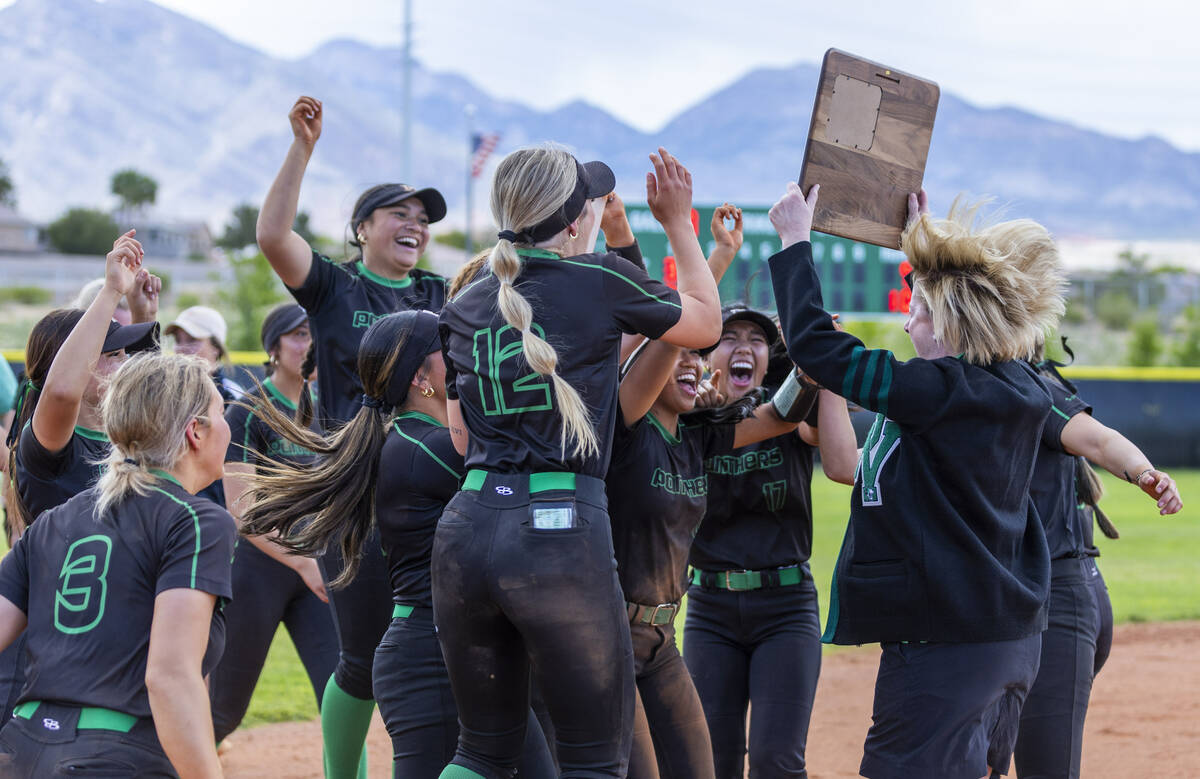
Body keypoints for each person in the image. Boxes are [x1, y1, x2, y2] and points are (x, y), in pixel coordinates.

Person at [433, 145, 721, 777]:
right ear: (573, 223)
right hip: (558, 535)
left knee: (480, 753)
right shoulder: (596, 277)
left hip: (466, 527)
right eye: (590, 201)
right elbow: (704, 325)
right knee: (595, 761)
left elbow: (459, 440)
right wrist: (678, 222)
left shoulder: (466, 300)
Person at [767, 185, 1066, 779]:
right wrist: (923, 240)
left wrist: (795, 243)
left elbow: (818, 349)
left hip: (945, 646)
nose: (908, 324)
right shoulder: (1023, 386)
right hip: (1010, 641)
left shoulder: (938, 393)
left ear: (953, 322)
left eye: (919, 312)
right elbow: (972, 320)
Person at [238, 311, 554, 777]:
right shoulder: (424, 449)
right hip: (431, 661)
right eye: (449, 350)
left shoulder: (412, 440)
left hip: (446, 652)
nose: (463, 357)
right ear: (420, 378)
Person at [256, 94, 450, 779]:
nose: (414, 225)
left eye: (422, 218)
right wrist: (302, 151)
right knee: (363, 658)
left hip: (439, 495)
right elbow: (274, 236)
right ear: (362, 227)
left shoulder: (441, 293)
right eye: (399, 212)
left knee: (450, 646)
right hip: (361, 495)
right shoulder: (336, 289)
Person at [0, 351, 236, 777]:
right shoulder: (197, 520)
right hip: (114, 758)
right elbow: (170, 678)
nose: (228, 427)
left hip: (18, 751)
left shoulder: (55, 519)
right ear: (194, 432)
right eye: (220, 413)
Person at [683, 302, 857, 779]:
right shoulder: (686, 420)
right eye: (729, 337)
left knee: (775, 761)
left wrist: (820, 352)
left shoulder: (788, 417)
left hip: (785, 607)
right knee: (712, 762)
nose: (744, 348)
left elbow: (810, 426)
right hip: (709, 610)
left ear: (768, 356)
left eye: (756, 340)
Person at [1011, 357, 1182, 779]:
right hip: (1029, 600)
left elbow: (1101, 442)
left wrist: (1145, 474)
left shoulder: (1030, 389)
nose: (910, 324)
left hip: (1058, 604)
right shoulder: (963, 387)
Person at [208, 303, 338, 746]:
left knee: (344, 700)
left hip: (319, 570)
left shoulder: (332, 407)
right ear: (274, 349)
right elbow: (241, 511)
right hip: (258, 572)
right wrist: (301, 562)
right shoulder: (248, 412)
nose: (309, 344)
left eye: (313, 334)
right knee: (221, 711)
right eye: (298, 335)